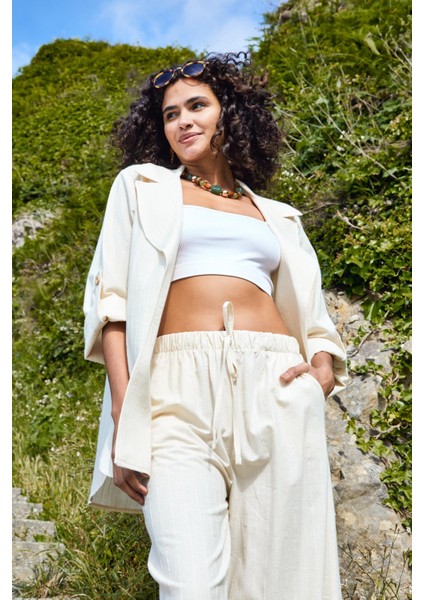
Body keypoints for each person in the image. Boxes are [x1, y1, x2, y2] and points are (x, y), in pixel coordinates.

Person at [83, 53, 348, 600]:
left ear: (230, 113)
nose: (183, 121)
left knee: (283, 581)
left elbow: (313, 317)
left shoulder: (277, 215)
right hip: (173, 391)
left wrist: (320, 371)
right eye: (170, 114)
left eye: (197, 106)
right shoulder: (141, 187)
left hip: (275, 385)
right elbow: (113, 305)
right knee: (191, 582)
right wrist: (124, 414)